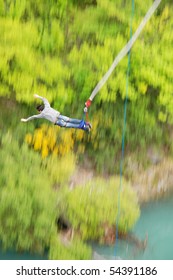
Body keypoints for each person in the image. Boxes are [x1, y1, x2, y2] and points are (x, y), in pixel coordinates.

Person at [21, 94, 92, 131]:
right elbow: (44, 99)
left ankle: (85, 127)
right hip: (59, 116)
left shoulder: (42, 114)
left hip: (57, 121)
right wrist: (37, 96)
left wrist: (26, 120)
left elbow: (33, 116)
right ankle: (86, 123)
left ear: (40, 111)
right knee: (70, 120)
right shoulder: (47, 106)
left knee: (69, 124)